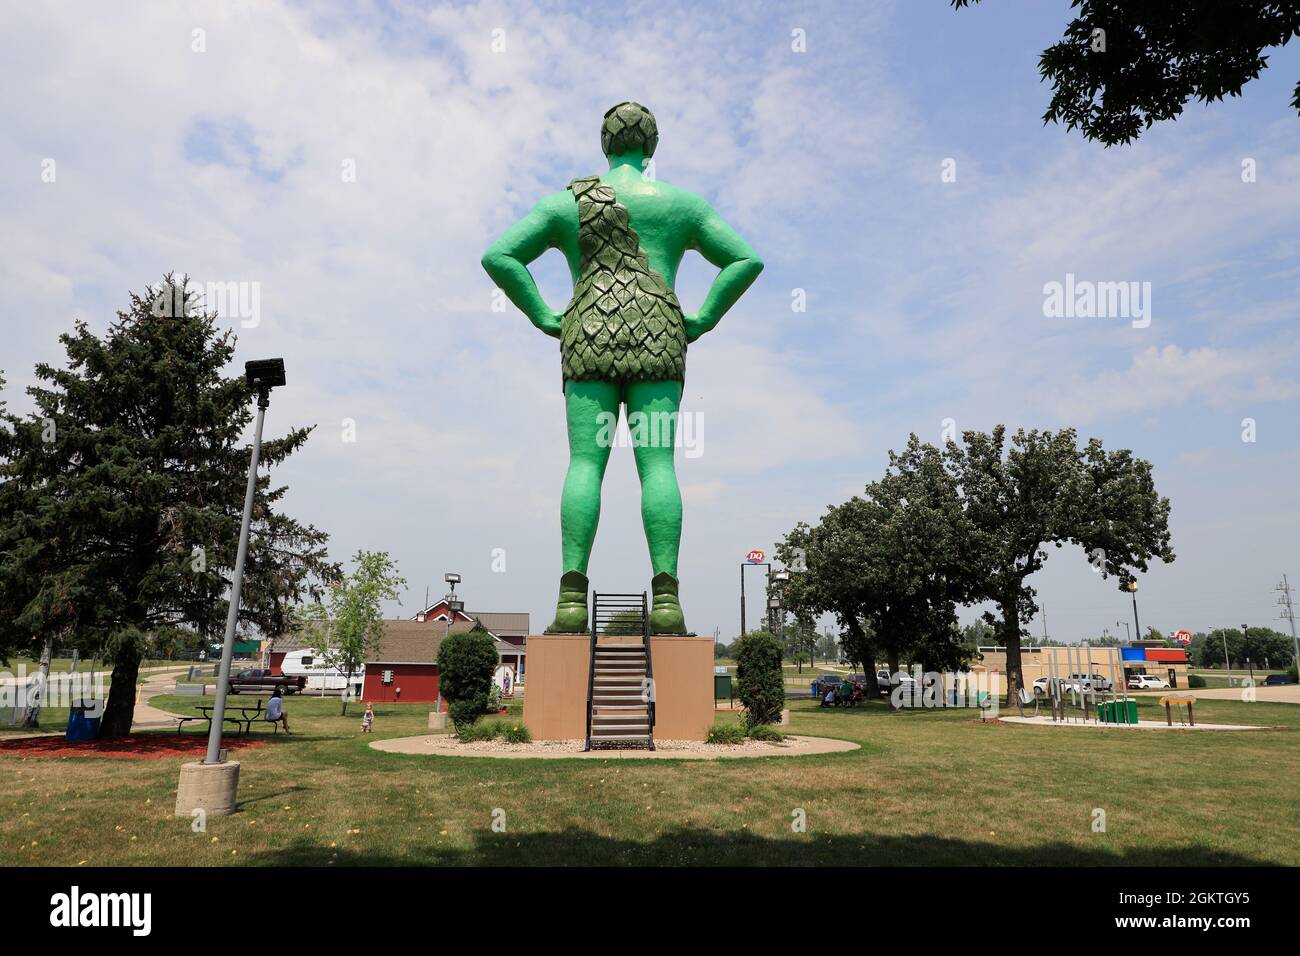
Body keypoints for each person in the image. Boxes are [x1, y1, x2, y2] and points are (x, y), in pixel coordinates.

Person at [482, 102, 763, 636]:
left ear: (604, 144)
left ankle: (569, 602)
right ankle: (667, 602)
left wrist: (544, 313)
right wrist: (701, 318)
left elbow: (499, 256)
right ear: (651, 146)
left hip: (587, 339)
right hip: (660, 341)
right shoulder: (682, 205)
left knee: (585, 465)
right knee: (658, 468)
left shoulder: (568, 203)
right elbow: (746, 260)